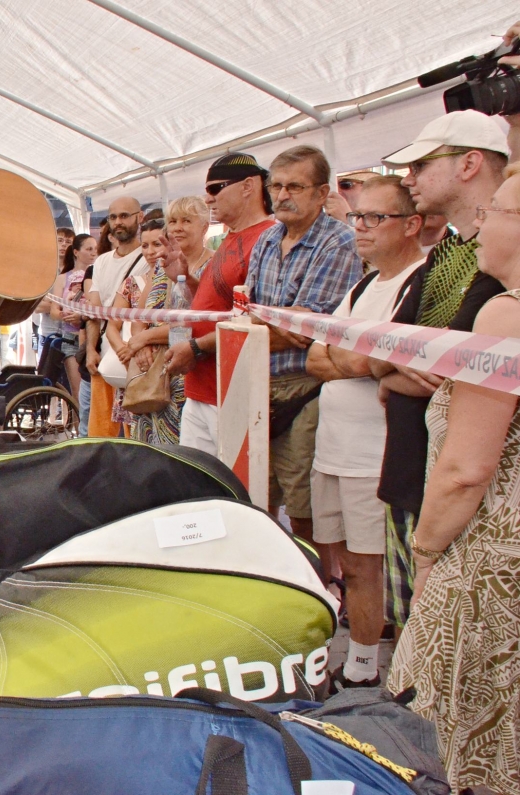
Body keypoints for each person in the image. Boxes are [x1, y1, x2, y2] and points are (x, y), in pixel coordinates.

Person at [387, 164, 520, 794]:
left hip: (491, 572)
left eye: (492, 211)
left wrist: (427, 548)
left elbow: (467, 468)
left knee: (456, 754)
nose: (481, 224)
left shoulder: (505, 314)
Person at [370, 110, 509, 632]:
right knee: (414, 644)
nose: (409, 178)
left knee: (449, 651)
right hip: (411, 472)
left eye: (423, 164)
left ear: (470, 164)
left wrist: (392, 372)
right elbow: (389, 347)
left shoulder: (501, 264)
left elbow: (457, 363)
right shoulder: (446, 250)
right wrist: (389, 375)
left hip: (462, 493)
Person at [305, 176, 425, 688]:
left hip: (371, 454)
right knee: (344, 561)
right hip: (334, 446)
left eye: (375, 218)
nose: (361, 228)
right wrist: (350, 360)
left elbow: (371, 358)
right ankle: (358, 658)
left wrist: (352, 359)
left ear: (411, 224)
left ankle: (365, 669)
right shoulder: (362, 284)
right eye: (357, 217)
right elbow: (317, 356)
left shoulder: (416, 281)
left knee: (371, 565)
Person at [242, 146, 361, 582]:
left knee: (307, 505)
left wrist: (260, 326)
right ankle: (277, 581)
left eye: (295, 186)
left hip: (306, 388)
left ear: (321, 193)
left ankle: (322, 587)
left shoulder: (338, 241)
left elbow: (308, 328)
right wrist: (267, 324)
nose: (283, 195)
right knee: (260, 493)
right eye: (276, 185)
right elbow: (250, 312)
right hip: (259, 386)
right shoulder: (268, 239)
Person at [166, 153, 275, 455]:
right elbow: (223, 304)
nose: (208, 199)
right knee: (196, 486)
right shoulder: (229, 237)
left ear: (248, 186)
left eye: (215, 188)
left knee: (231, 492)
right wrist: (186, 279)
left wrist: (196, 347)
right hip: (201, 387)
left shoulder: (266, 238)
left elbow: (256, 321)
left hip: (231, 391)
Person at [119, 196, 213, 445]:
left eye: (186, 220)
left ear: (204, 226)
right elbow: (139, 314)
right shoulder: (161, 266)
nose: (177, 227)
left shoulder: (213, 266)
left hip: (186, 373)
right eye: (173, 221)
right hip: (150, 374)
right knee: (148, 452)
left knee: (182, 453)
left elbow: (197, 324)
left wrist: (144, 338)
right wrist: (142, 345)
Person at [85, 197, 145, 436]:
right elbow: (94, 312)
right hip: (105, 358)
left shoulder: (148, 257)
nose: (118, 222)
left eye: (124, 216)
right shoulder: (101, 261)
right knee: (100, 434)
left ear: (139, 217)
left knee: (135, 434)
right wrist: (91, 348)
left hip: (134, 358)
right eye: (113, 217)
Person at [106, 218, 165, 438]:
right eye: (145, 245)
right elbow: (113, 325)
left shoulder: (176, 278)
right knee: (136, 431)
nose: (150, 251)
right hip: (135, 365)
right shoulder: (132, 283)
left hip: (165, 362)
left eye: (157, 244)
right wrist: (125, 349)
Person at [48, 233, 96, 412]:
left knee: (93, 395)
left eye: (95, 250)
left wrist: (82, 316)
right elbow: (54, 311)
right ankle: (79, 434)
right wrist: (68, 316)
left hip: (92, 338)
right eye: (88, 249)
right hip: (70, 338)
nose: (93, 253)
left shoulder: (97, 275)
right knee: (78, 394)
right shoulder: (63, 278)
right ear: (76, 252)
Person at [33, 227, 75, 363]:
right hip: (48, 334)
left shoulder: (77, 272)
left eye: (68, 241)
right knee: (47, 379)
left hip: (72, 336)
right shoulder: (44, 272)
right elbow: (37, 306)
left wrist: (53, 305)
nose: (64, 244)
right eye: (60, 240)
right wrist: (65, 305)